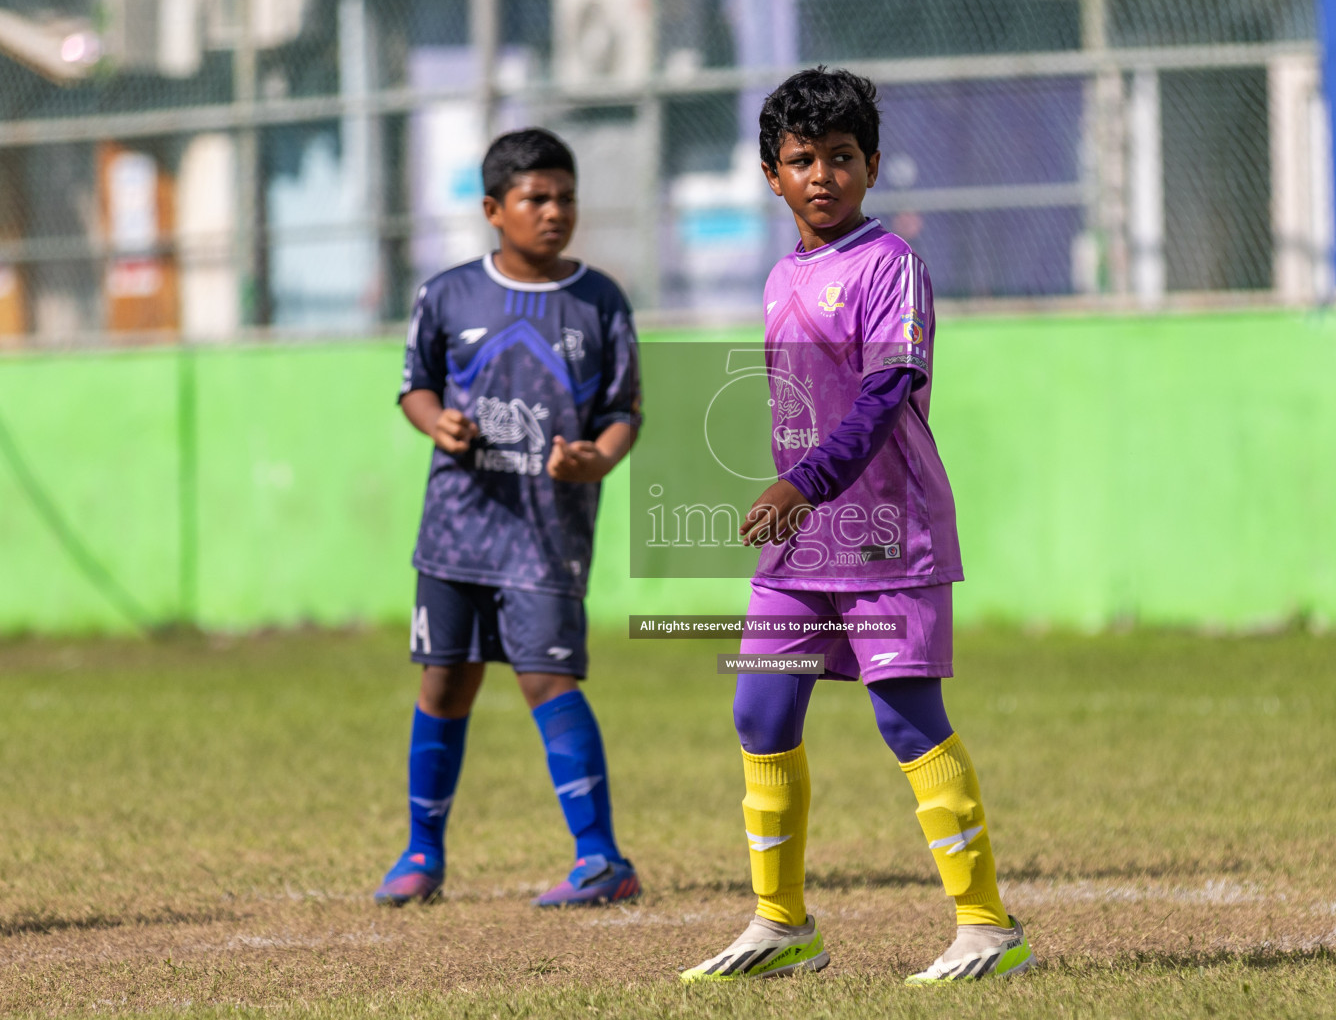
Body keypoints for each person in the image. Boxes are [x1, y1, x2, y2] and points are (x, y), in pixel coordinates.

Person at [680, 67, 1033, 984]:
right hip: (801, 545)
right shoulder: (777, 278)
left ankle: (988, 928)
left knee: (907, 719)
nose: (823, 175)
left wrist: (802, 482)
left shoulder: (891, 267)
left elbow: (883, 397)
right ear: (773, 175)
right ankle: (782, 924)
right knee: (759, 710)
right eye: (803, 160)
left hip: (885, 533)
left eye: (842, 157)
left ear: (871, 165)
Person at [375, 127, 642, 907]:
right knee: (445, 683)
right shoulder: (448, 293)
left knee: (548, 679)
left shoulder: (600, 300)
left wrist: (599, 457)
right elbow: (415, 385)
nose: (554, 211)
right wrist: (436, 423)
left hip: (546, 536)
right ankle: (422, 853)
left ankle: (601, 859)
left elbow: (625, 409)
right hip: (455, 531)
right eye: (536, 198)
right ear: (495, 208)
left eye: (565, 197)